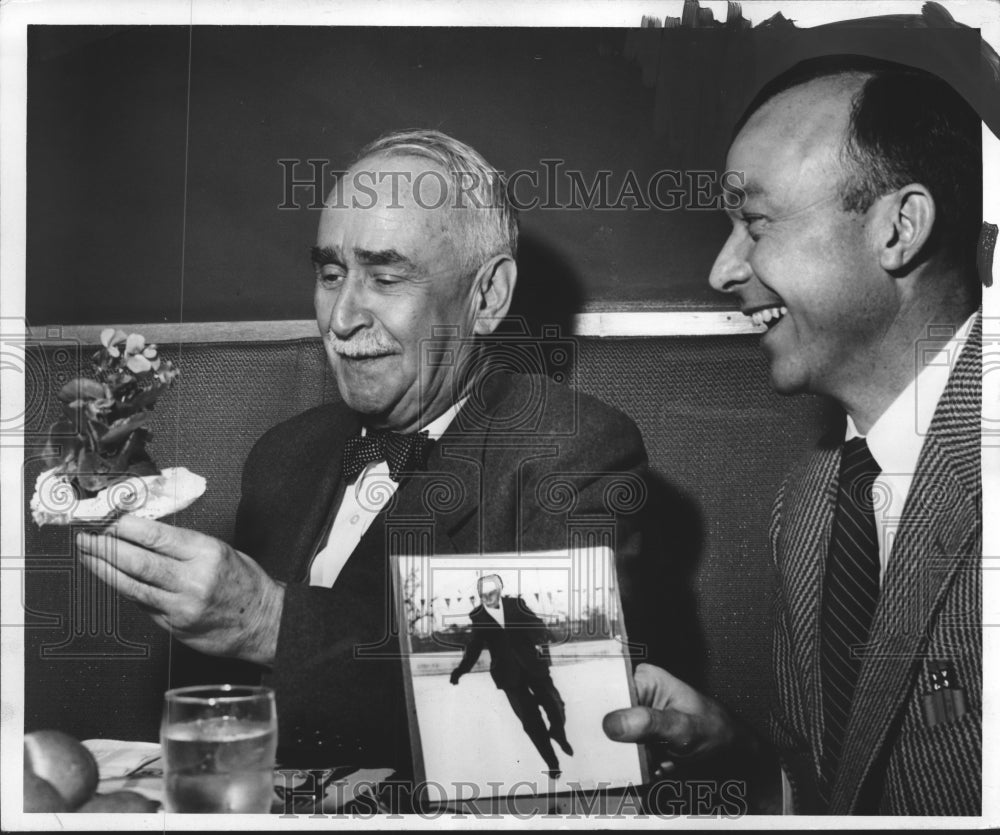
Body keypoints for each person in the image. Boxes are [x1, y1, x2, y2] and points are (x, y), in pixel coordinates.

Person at [76, 129, 664, 776]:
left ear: (488, 296)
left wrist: (269, 619)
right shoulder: (283, 454)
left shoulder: (570, 449)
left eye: (386, 277)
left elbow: (547, 727)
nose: (343, 317)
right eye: (331, 274)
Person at [604, 56, 983, 816]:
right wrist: (745, 764)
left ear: (899, 228)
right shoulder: (810, 503)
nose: (722, 268)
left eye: (756, 224)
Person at [450, 574, 572, 777]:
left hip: (534, 666)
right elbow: (474, 648)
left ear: (500, 590)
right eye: (483, 595)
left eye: (491, 593)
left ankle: (558, 732)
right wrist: (460, 671)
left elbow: (535, 622)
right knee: (531, 721)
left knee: (556, 705)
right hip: (508, 676)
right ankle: (552, 763)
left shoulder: (516, 604)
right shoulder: (478, 617)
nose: (487, 598)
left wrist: (542, 635)